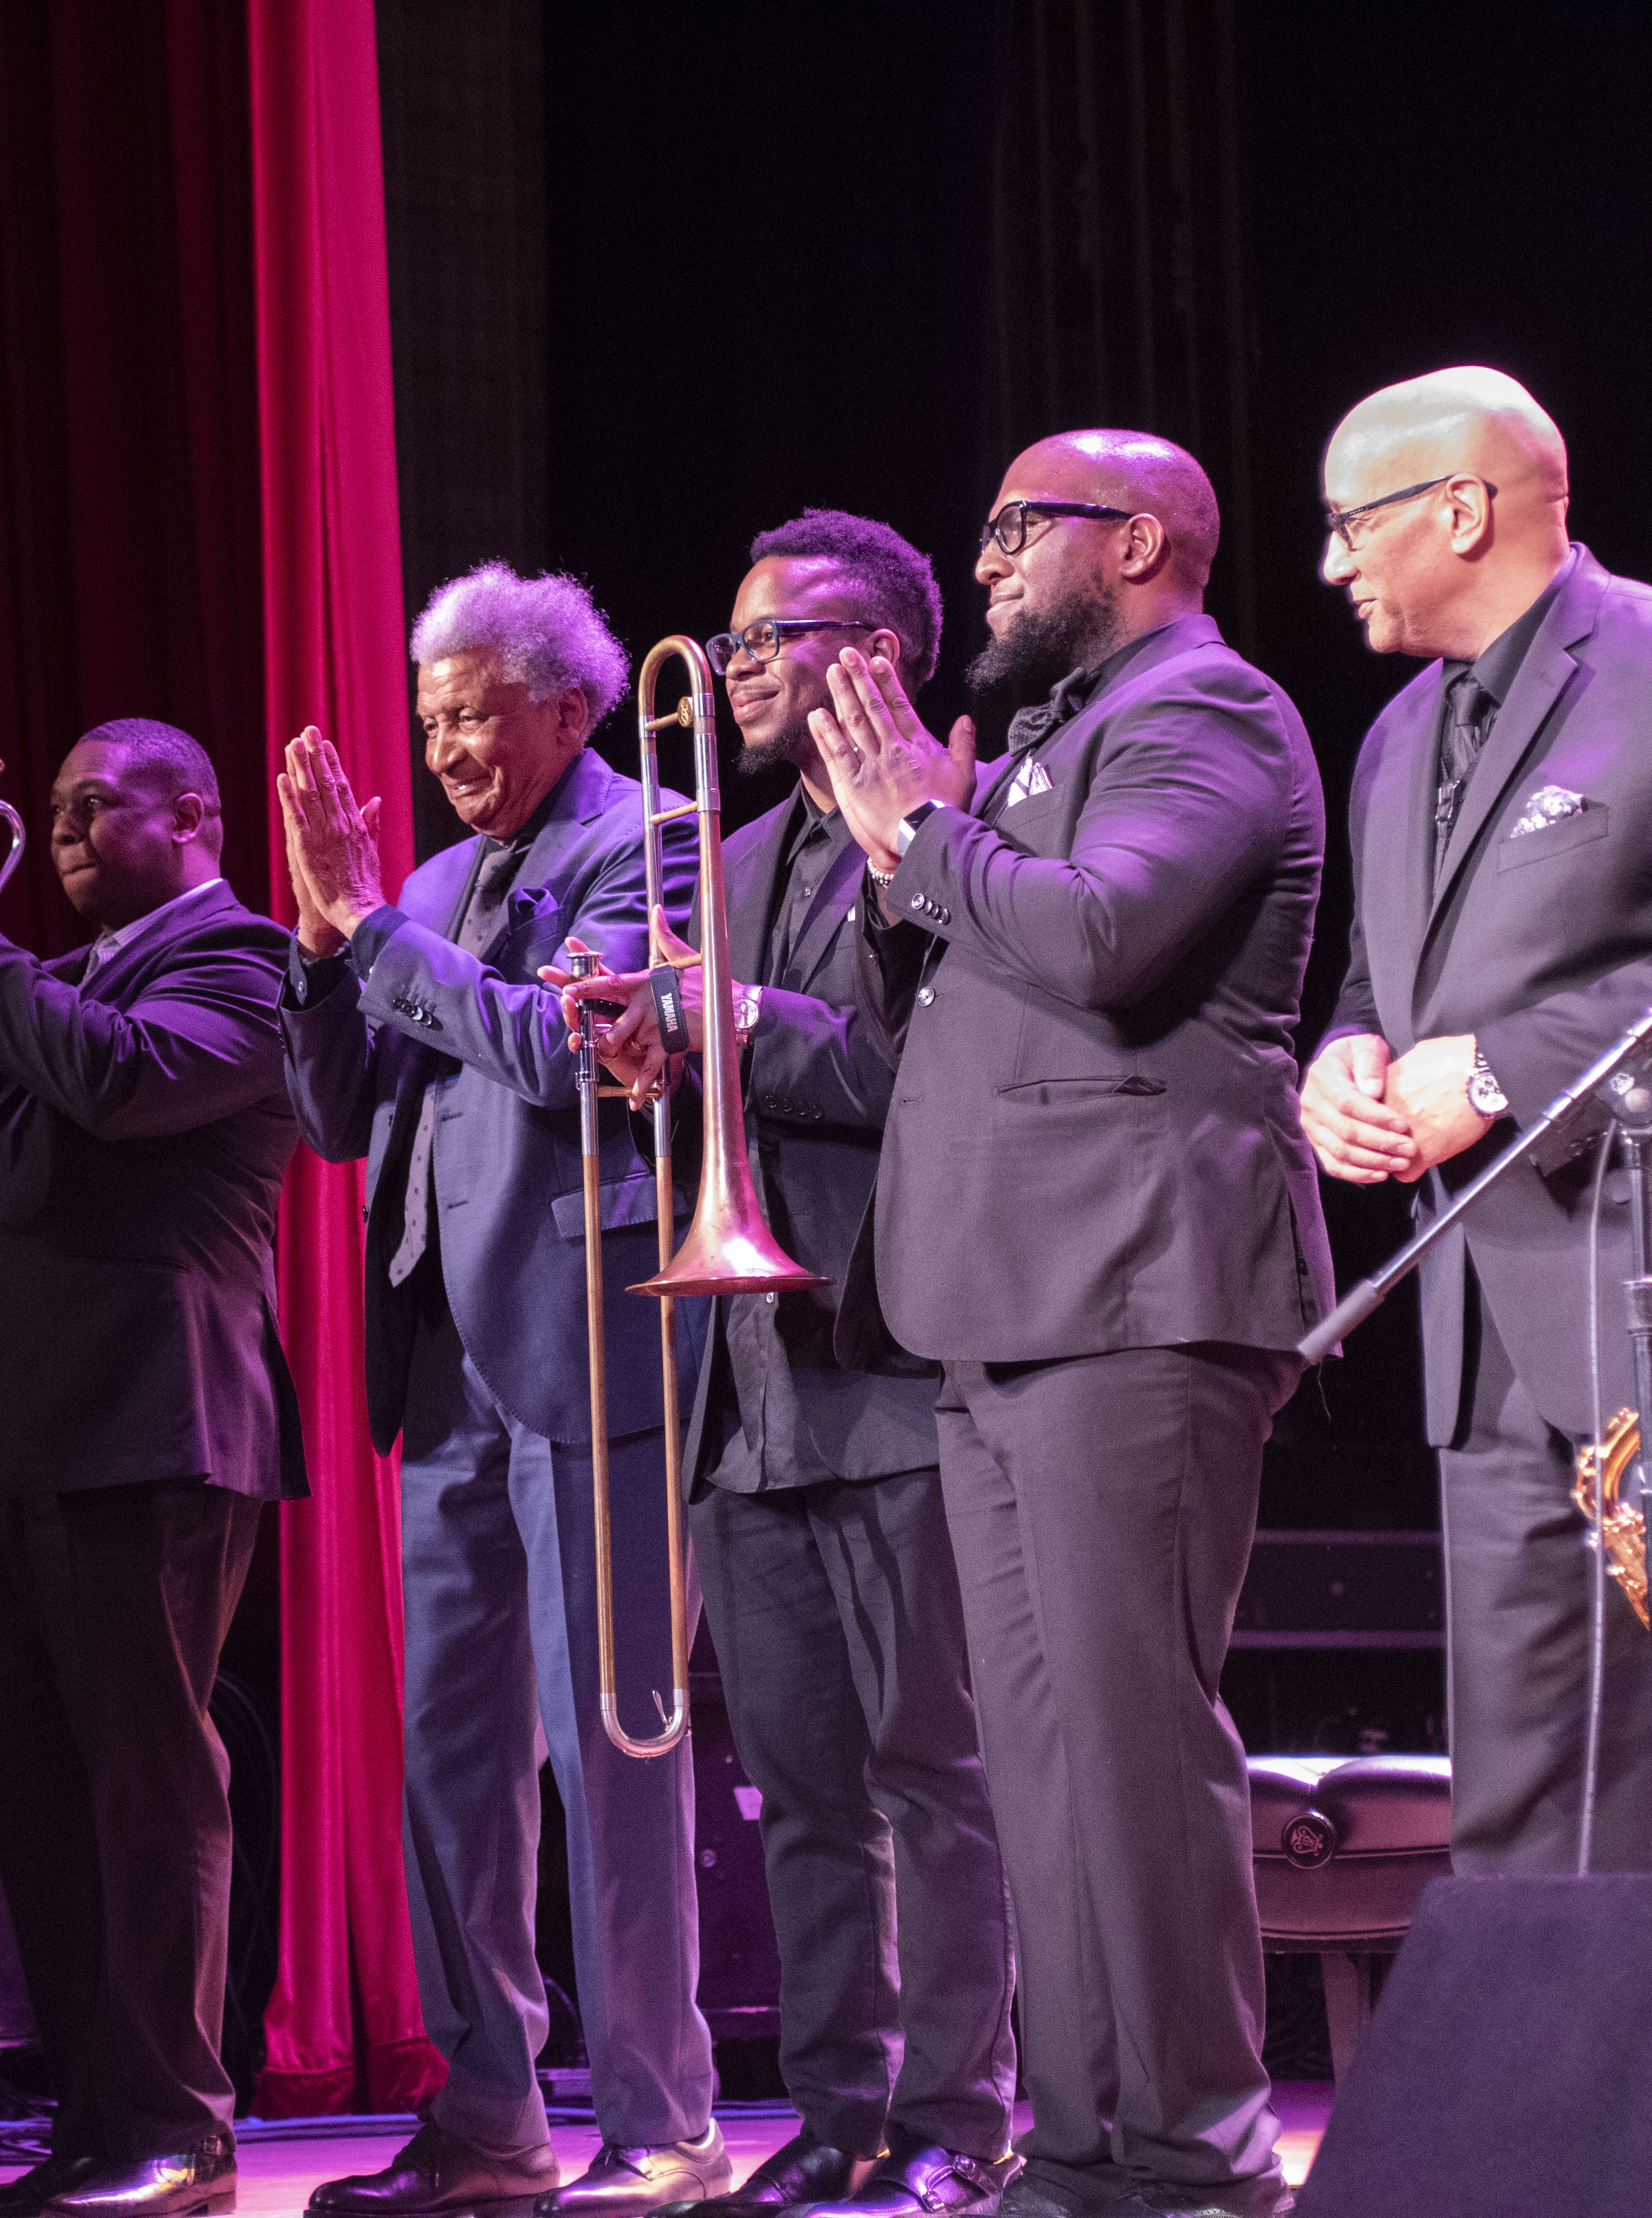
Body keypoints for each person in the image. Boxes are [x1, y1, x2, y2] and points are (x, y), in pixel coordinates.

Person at [807, 434, 1334, 2218]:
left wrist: (921, 835)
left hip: (1135, 1283)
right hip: (1002, 1295)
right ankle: (1087, 2147)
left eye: (1012, 529)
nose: (984, 562)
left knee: (1131, 1739)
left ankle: (1197, 2148)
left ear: (1131, 538)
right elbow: (944, 984)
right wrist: (911, 859)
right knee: (1038, 1757)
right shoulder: (1042, 742)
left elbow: (1105, 940)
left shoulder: (1205, 711)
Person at [1299, 365, 1652, 1874]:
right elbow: (1378, 974)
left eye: (1353, 522)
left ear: (1461, 509)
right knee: (1527, 1808)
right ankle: (1565, 2118)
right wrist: (1344, 1059)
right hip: (1488, 1342)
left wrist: (1493, 1075)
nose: (1333, 560)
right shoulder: (1396, 736)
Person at [557, 513, 1018, 2218]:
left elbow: (934, 1067)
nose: (737, 665)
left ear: (879, 653)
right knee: (806, 1791)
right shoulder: (731, 864)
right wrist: (649, 1047)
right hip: (746, 1388)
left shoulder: (947, 831)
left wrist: (740, 1025)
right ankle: (839, 2114)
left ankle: (964, 2124)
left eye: (778, 636)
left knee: (933, 1773)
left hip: (892, 1371)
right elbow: (725, 1084)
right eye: (732, 639)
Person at [281, 564, 726, 2218]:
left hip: (590, 1339)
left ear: (573, 707)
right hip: (441, 1364)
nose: (454, 745)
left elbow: (562, 1055)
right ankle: (485, 2121)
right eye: (435, 719)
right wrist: (328, 949)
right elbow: (338, 1124)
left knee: (607, 1750)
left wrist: (378, 930)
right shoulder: (441, 876)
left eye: (480, 712)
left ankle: (658, 2125)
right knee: (448, 1757)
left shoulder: (647, 839)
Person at [0, 720, 304, 2218]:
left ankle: (181, 2131)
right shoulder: (52, 976)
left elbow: (115, 1088)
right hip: (10, 1434)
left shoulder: (240, 964)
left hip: (152, 1425)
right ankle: (101, 2126)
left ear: (193, 815)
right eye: (53, 804)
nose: (58, 827)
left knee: (147, 1787)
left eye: (95, 804)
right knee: (39, 1792)